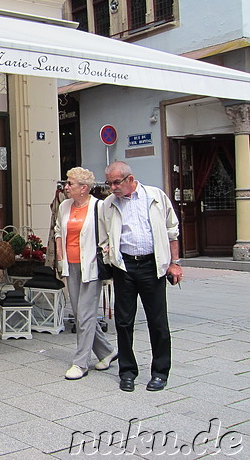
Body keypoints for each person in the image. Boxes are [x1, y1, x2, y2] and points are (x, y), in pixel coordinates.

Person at [100, 161, 182, 393]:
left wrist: (174, 263)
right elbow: (104, 235)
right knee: (124, 322)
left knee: (158, 322)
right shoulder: (108, 204)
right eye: (109, 183)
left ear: (130, 179)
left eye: (116, 182)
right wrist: (110, 254)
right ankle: (127, 372)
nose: (112, 187)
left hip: (151, 265)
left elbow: (172, 231)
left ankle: (160, 372)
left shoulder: (155, 196)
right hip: (124, 266)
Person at [54, 167, 117, 380]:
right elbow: (58, 231)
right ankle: (107, 351)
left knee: (85, 315)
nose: (66, 187)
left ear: (84, 188)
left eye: (70, 183)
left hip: (90, 265)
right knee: (80, 314)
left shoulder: (99, 206)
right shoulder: (64, 206)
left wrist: (108, 251)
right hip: (70, 266)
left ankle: (81, 363)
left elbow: (111, 232)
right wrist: (60, 257)